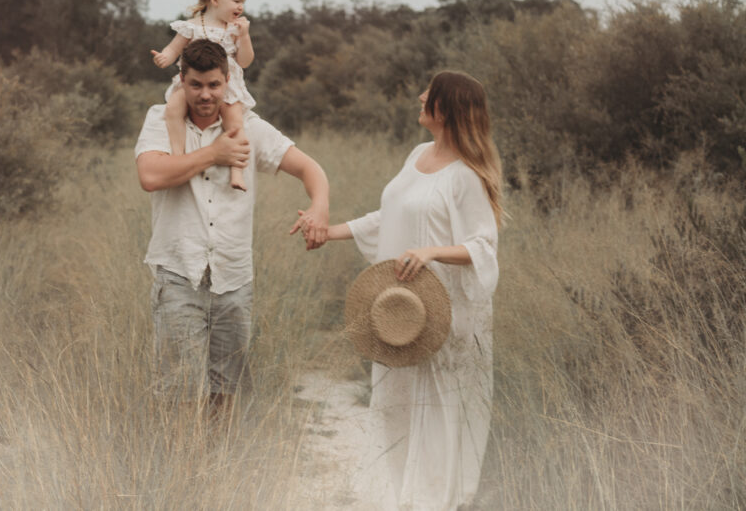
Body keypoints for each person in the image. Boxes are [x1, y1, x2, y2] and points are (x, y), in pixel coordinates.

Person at [323, 70, 503, 511]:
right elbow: (387, 217)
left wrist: (432, 252)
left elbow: (483, 245)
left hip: (443, 317)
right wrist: (329, 233)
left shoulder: (466, 176)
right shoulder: (418, 153)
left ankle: (435, 501)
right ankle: (398, 499)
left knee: (440, 412)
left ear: (446, 109)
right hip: (399, 311)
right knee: (396, 403)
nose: (420, 97)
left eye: (430, 93)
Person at [136, 39, 328, 414]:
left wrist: (319, 208)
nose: (205, 95)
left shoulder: (251, 128)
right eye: (195, 85)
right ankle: (184, 468)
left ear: (227, 81)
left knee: (227, 389)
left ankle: (217, 467)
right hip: (179, 274)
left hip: (234, 277)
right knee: (180, 392)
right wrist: (215, 153)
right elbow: (150, 175)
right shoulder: (160, 119)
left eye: (214, 85)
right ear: (181, 80)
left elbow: (311, 170)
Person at [151, 0, 255, 191]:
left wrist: (244, 36)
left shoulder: (235, 29)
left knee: (235, 120)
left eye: (243, 2)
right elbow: (174, 48)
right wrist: (164, 57)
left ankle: (237, 170)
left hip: (227, 86)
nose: (241, 7)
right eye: (237, 1)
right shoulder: (192, 26)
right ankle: (178, 157)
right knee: (173, 109)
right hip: (192, 85)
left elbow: (245, 61)